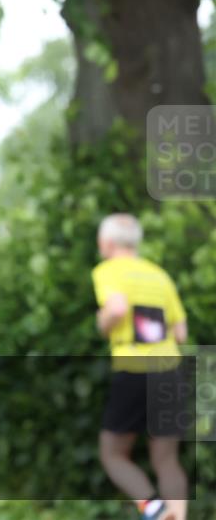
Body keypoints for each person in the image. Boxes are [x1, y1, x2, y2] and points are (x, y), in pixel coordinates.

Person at [92, 213, 189, 520]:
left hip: (134, 368)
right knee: (167, 460)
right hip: (169, 369)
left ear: (107, 243)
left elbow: (117, 308)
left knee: (112, 454)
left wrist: (102, 322)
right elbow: (181, 333)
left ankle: (156, 511)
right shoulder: (159, 275)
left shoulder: (109, 270)